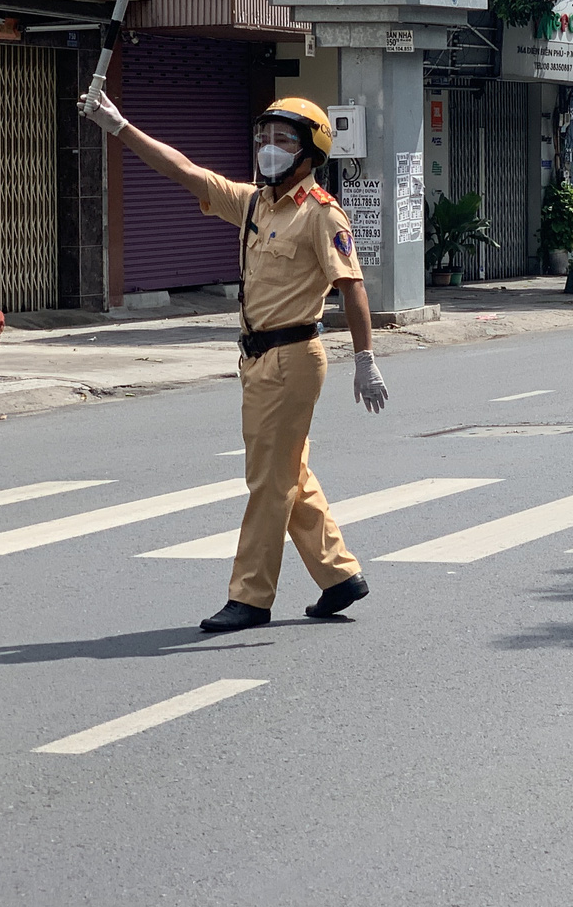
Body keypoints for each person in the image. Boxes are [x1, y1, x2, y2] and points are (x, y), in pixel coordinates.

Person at [81, 90, 387, 633]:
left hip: (294, 356)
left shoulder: (321, 215)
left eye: (283, 140)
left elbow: (353, 287)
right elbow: (185, 172)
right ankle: (339, 575)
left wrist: (366, 359)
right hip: (257, 358)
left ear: (311, 152)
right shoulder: (253, 204)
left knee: (267, 481)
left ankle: (251, 597)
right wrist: (119, 126)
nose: (268, 148)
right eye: (263, 138)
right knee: (287, 471)